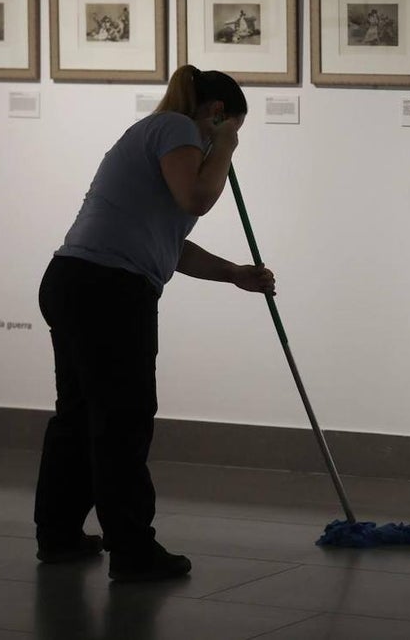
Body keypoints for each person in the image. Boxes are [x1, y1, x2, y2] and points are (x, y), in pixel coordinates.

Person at [34, 65, 275, 582]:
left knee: (78, 416)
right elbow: (196, 201)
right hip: (109, 291)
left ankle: (58, 536)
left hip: (75, 280)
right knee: (122, 420)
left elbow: (170, 241)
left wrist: (234, 274)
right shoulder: (177, 129)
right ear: (216, 113)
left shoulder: (153, 134)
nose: (225, 142)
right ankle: (132, 550)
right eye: (231, 125)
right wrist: (227, 147)